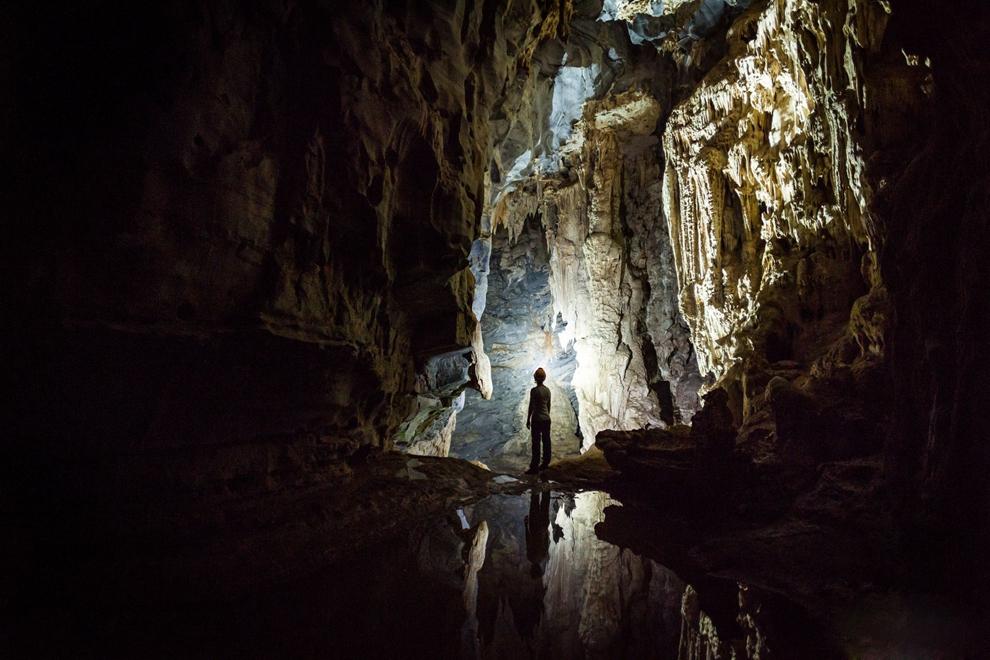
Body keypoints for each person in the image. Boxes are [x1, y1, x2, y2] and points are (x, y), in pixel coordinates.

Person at [525, 367, 552, 474]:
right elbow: (549, 406)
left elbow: (531, 406)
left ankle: (534, 467)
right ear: (544, 378)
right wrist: (546, 416)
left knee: (536, 443)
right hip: (546, 419)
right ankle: (546, 463)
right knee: (546, 442)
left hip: (536, 419)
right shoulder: (548, 390)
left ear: (535, 378)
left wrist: (528, 419)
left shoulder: (534, 391)